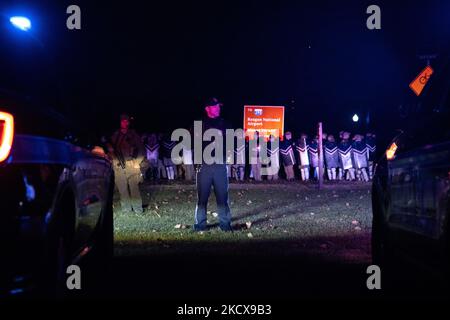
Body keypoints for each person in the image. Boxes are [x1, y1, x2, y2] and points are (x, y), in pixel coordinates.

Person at [193, 97, 232, 232]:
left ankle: (225, 224)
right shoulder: (199, 124)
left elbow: (230, 143)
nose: (218, 108)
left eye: (218, 106)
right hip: (204, 166)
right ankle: (200, 225)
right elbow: (194, 144)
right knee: (202, 197)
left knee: (223, 196)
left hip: (220, 165)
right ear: (207, 109)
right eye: (215, 106)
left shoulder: (225, 123)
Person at [110, 114, 145, 213]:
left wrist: (137, 162)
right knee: (122, 189)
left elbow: (142, 149)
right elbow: (110, 150)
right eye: (123, 121)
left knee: (134, 188)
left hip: (131, 164)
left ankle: (138, 209)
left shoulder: (133, 135)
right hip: (118, 165)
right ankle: (126, 209)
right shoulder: (115, 135)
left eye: (126, 121)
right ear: (120, 122)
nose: (125, 122)